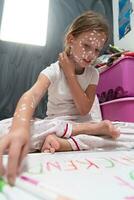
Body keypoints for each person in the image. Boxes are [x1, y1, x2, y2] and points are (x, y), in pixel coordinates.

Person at [0, 10, 120, 185]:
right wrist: (20, 127)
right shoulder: (53, 70)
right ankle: (68, 140)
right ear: (71, 40)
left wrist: (71, 74)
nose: (91, 55)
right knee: (6, 127)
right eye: (86, 46)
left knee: (122, 132)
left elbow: (84, 109)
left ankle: (68, 141)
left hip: (82, 124)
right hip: (56, 126)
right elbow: (32, 95)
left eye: (96, 49)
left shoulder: (93, 73)